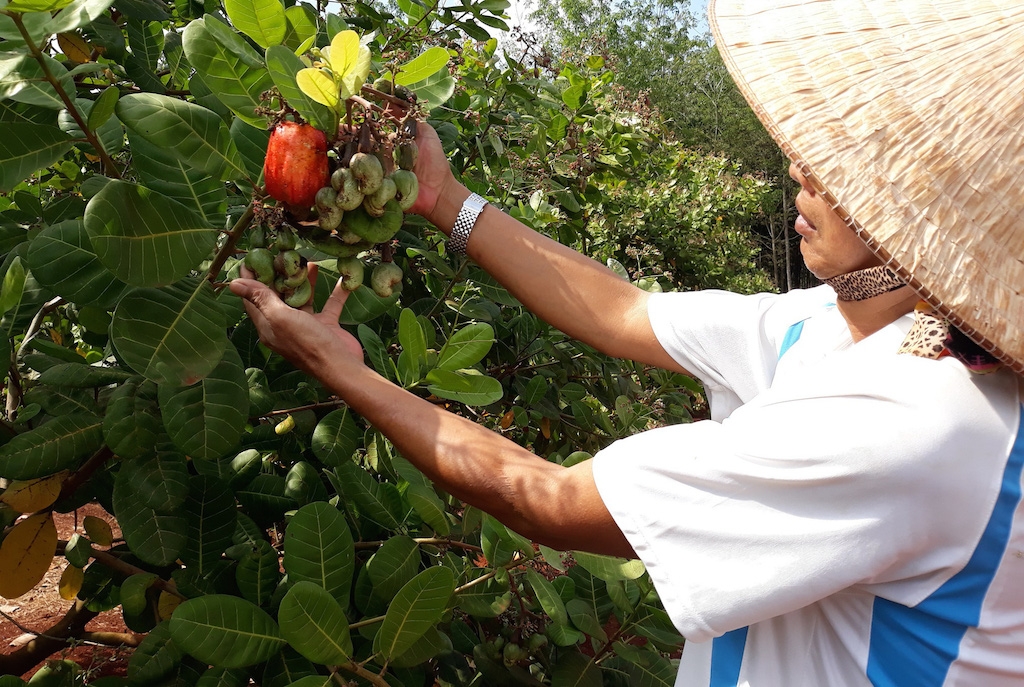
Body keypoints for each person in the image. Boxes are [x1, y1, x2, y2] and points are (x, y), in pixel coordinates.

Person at [231, 0, 1024, 684]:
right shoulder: (835, 328)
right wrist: (443, 199)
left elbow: (545, 498)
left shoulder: (914, 423)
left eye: (842, 168)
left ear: (925, 222)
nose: (798, 169)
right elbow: (622, 311)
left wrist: (342, 371)